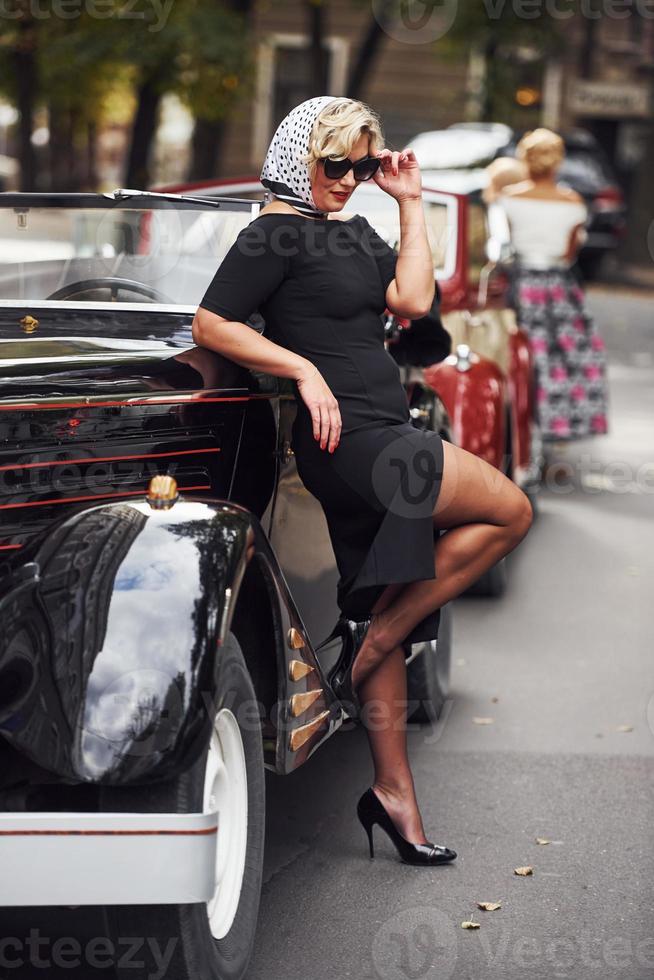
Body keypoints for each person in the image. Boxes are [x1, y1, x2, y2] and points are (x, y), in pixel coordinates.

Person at [192, 96, 533, 865]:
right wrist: (302, 368)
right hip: (358, 444)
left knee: (386, 593)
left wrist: (409, 202)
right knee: (511, 510)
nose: (347, 179)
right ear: (297, 159)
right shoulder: (273, 230)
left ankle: (394, 796)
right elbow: (213, 323)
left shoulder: (357, 229)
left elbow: (413, 302)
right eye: (333, 163)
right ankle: (374, 643)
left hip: (387, 429)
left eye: (361, 165)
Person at [497, 128, 610, 443]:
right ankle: (556, 430)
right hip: (558, 288)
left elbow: (501, 246)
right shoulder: (573, 201)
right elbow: (569, 253)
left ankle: (513, 426)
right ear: (557, 162)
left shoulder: (508, 198)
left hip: (518, 284)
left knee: (515, 356)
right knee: (563, 359)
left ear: (525, 160)